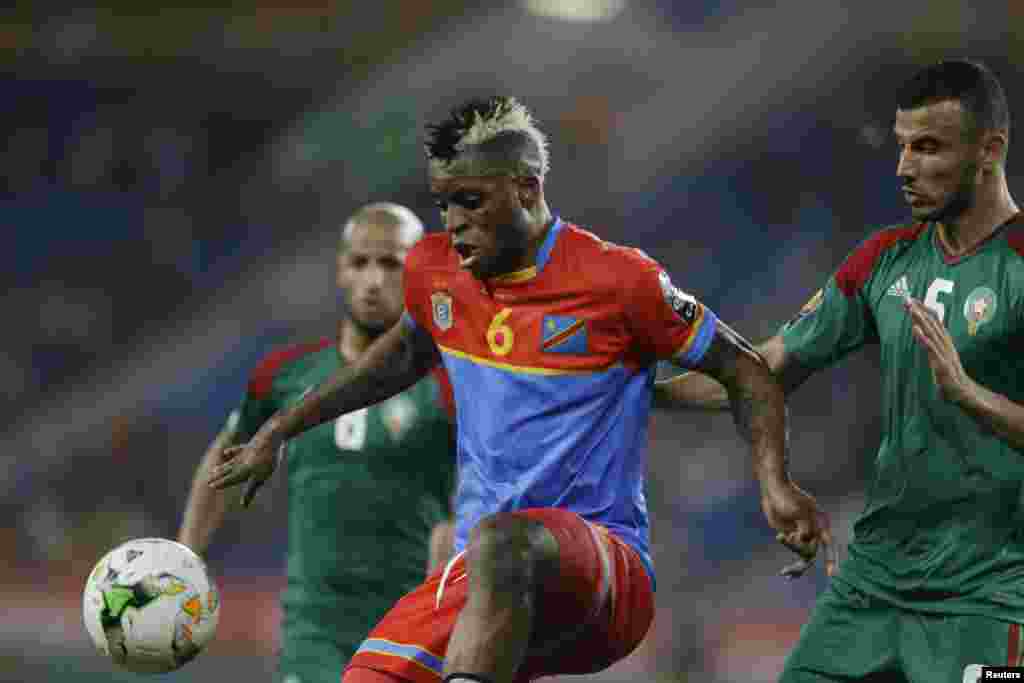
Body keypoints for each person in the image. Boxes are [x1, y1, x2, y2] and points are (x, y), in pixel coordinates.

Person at [208, 96, 831, 683]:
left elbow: (745, 370)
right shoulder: (435, 272)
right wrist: (279, 428)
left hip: (603, 573)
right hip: (481, 572)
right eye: (444, 203)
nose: (453, 224)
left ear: (527, 188)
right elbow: (395, 360)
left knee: (506, 542)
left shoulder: (621, 280)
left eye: (472, 202)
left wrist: (774, 484)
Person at [656, 59, 1024, 681]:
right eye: (903, 146)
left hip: (990, 592)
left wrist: (969, 395)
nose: (905, 167)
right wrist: (640, 393)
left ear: (991, 150)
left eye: (929, 147)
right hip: (875, 582)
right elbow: (763, 367)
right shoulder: (886, 259)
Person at [178, 203, 458, 683]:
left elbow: (470, 502)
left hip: (407, 629)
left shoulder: (451, 382)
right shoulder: (286, 375)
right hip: (313, 633)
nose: (373, 280)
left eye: (391, 263)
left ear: (419, 275)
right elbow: (224, 460)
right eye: (360, 262)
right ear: (340, 271)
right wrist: (185, 557)